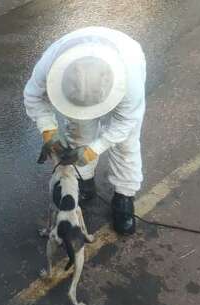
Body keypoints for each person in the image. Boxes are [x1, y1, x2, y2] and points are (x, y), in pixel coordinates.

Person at [24, 27, 147, 235]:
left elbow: (125, 123)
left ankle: (124, 196)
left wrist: (95, 149)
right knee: (79, 132)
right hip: (78, 81)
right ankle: (85, 182)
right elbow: (34, 96)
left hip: (126, 57)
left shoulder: (130, 76)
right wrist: (48, 129)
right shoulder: (50, 66)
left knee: (126, 144)